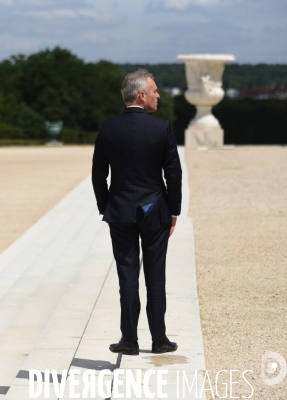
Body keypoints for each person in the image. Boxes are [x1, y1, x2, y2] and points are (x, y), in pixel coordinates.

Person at [91, 69, 182, 355]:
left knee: (127, 277)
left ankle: (129, 340)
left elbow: (97, 175)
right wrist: (174, 210)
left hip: (120, 211)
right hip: (155, 210)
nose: (158, 95)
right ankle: (159, 339)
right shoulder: (161, 128)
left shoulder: (107, 127)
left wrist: (107, 207)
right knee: (156, 277)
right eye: (154, 91)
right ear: (141, 95)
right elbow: (174, 175)